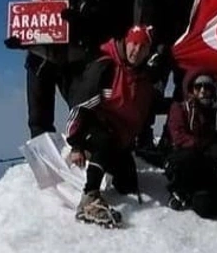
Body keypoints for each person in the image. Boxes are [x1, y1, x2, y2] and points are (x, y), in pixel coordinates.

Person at [64, 25, 158, 228]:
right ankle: (89, 197)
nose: (136, 51)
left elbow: (147, 108)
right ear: (126, 41)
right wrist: (76, 145)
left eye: (143, 47)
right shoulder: (106, 67)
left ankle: (100, 162)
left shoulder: (143, 78)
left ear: (149, 51)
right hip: (92, 132)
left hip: (119, 139)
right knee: (104, 141)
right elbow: (79, 107)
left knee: (128, 185)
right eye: (134, 44)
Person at [4, 0, 94, 138]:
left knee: (83, 107)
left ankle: (84, 149)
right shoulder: (38, 2)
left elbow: (92, 30)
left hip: (72, 62)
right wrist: (20, 42)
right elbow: (29, 30)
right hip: (42, 61)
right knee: (39, 116)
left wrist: (78, 23)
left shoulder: (81, 3)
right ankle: (44, 154)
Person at [133, 0, 197, 159]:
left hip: (181, 45)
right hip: (156, 43)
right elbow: (148, 6)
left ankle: (171, 137)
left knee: (182, 93)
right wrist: (153, 41)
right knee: (150, 91)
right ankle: (143, 136)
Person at [164, 72, 217, 219]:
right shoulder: (180, 108)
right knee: (189, 156)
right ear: (192, 89)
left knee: (210, 209)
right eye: (198, 86)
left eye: (207, 87)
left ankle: (194, 196)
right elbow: (178, 137)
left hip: (206, 166)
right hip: (184, 161)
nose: (203, 91)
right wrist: (207, 147)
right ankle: (179, 190)